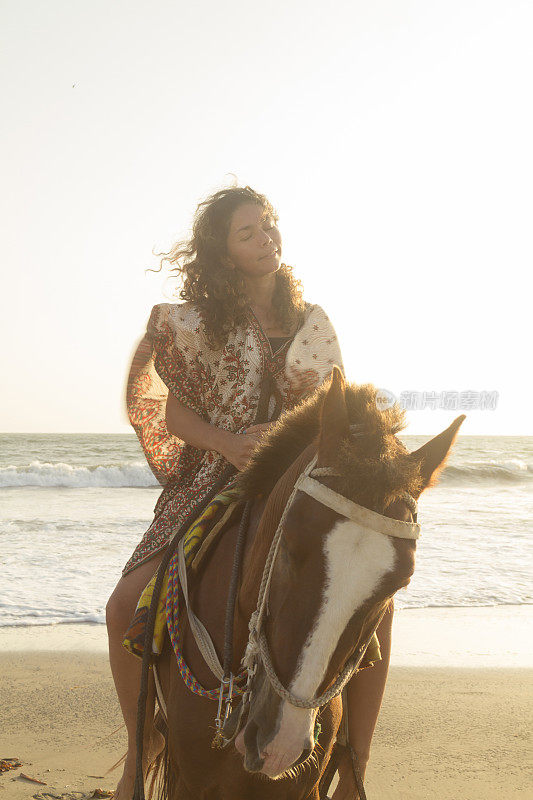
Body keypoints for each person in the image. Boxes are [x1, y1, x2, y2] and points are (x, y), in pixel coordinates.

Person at [106, 185, 394, 800]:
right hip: (215, 477)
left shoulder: (311, 322)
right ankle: (139, 753)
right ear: (224, 252)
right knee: (124, 604)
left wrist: (288, 441)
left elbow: (333, 413)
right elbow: (178, 418)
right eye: (248, 233)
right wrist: (229, 443)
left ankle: (355, 769)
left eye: (267, 226)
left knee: (379, 610)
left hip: (296, 483)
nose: (265, 238)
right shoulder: (199, 326)